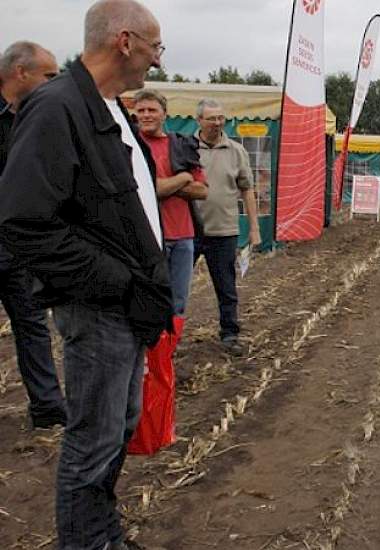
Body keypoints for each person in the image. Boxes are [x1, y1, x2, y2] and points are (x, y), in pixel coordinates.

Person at [0, 1, 172, 548]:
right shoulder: (56, 108)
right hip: (98, 308)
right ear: (125, 42)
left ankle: (103, 534)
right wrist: (118, 281)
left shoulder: (108, 107)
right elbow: (25, 222)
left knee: (117, 429)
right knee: (92, 442)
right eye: (155, 47)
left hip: (126, 306)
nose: (158, 60)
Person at [0, 41, 65, 429]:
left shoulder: (35, 118)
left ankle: (47, 407)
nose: (54, 85)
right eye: (49, 76)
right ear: (21, 73)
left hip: (20, 248)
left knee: (33, 326)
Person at [194, 98, 260, 356]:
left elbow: (248, 189)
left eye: (221, 118)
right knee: (175, 287)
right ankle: (168, 336)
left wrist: (254, 228)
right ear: (199, 120)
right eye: (211, 118)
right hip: (190, 230)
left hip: (224, 231)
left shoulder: (236, 151)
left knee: (226, 286)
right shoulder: (188, 148)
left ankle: (230, 333)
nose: (217, 123)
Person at [135, 89, 207, 318]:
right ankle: (151, 353)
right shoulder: (131, 148)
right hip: (148, 237)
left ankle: (168, 352)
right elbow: (150, 190)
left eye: (152, 110)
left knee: (178, 303)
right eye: (141, 110)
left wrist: (166, 186)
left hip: (183, 236)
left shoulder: (180, 145)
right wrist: (183, 177)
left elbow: (202, 190)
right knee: (150, 301)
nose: (146, 115)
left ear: (164, 114)